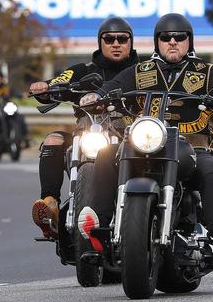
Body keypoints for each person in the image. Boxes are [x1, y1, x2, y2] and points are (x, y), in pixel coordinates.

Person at [78, 13, 213, 256]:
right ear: (157, 42)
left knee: (209, 166)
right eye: (166, 37)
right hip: (146, 142)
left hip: (191, 146)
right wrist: (97, 96)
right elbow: (113, 86)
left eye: (179, 37)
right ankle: (99, 225)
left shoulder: (205, 71)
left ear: (189, 41)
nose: (172, 42)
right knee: (106, 154)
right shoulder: (141, 71)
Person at [28, 17, 139, 239]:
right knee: (53, 140)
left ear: (130, 43)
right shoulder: (83, 70)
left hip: (130, 139)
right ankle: (51, 206)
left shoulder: (143, 71)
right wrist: (45, 88)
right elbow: (58, 82)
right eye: (109, 39)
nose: (115, 43)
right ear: (100, 43)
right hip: (88, 134)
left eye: (122, 39)